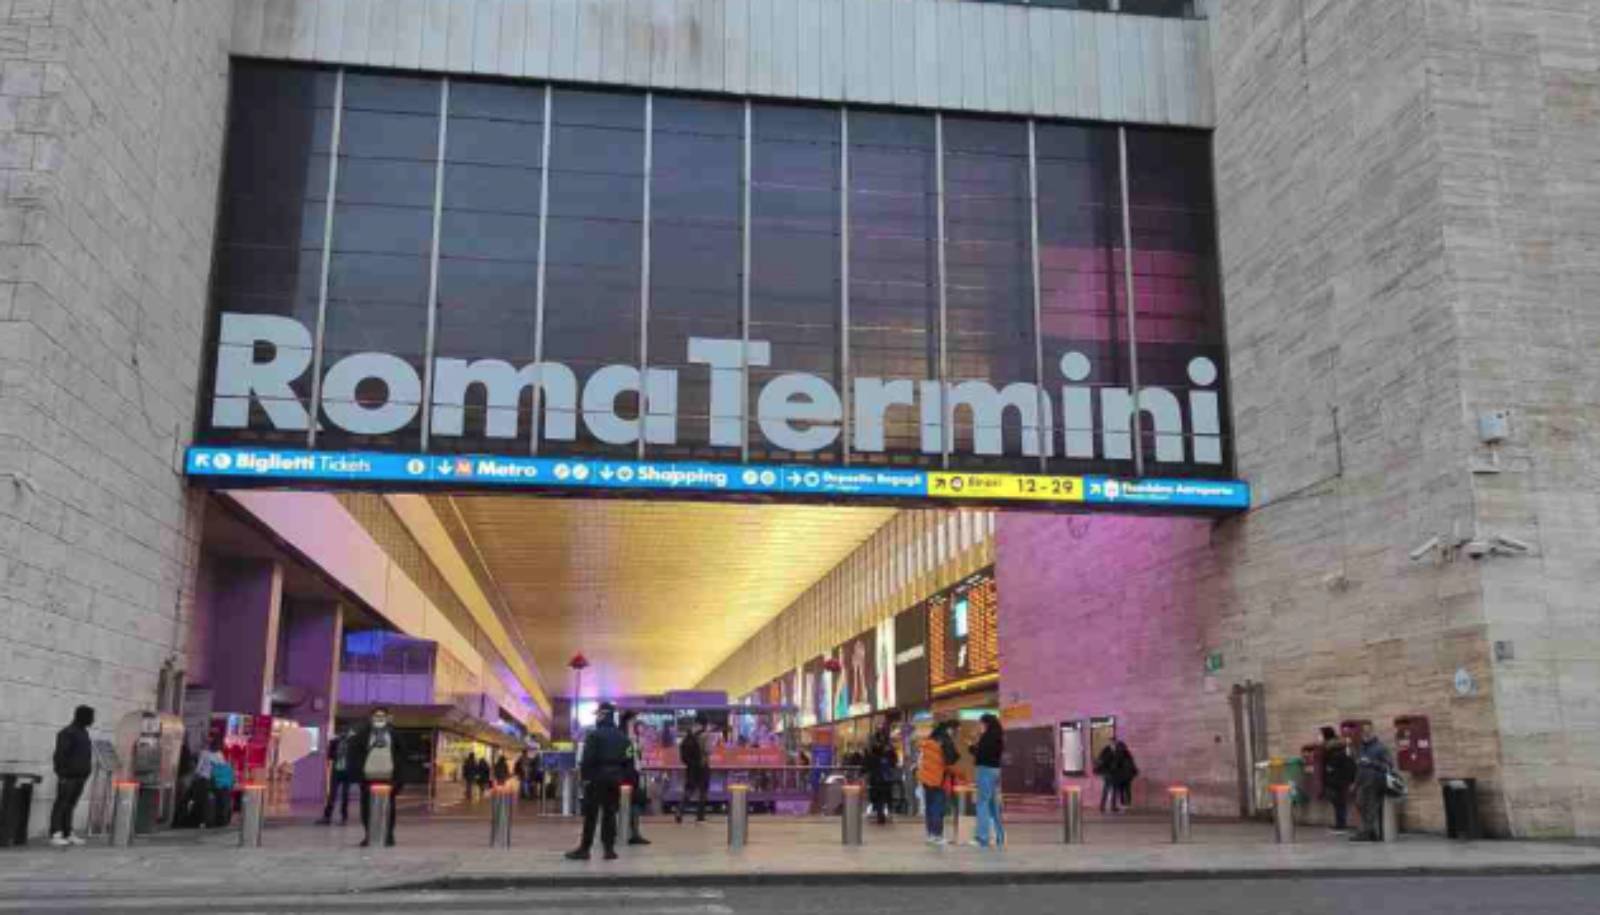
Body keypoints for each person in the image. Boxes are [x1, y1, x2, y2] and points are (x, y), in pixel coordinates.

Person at [566, 702, 631, 861]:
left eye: (598, 715)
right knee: (610, 813)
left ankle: (585, 849)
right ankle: (609, 850)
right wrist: (622, 777)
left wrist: (585, 779)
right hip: (615, 778)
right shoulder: (623, 737)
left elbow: (587, 759)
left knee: (591, 814)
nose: (597, 718)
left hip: (596, 778)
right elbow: (629, 760)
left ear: (603, 715)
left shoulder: (594, 735)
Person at [348, 706, 409, 848]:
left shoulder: (395, 735)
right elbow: (354, 754)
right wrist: (358, 773)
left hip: (389, 777)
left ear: (387, 718)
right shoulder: (363, 735)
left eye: (382, 717)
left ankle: (388, 835)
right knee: (366, 808)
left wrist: (399, 778)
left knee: (389, 808)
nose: (379, 719)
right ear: (371, 718)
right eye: (376, 716)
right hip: (367, 777)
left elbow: (402, 756)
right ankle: (369, 834)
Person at [49, 705, 95, 846]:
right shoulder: (67, 733)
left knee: (70, 805)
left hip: (81, 776)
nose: (92, 720)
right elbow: (60, 755)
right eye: (91, 717)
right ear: (82, 716)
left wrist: (87, 771)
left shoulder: (84, 733)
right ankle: (56, 833)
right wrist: (61, 774)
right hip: (68, 776)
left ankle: (68, 832)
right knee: (61, 804)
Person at [1350, 722, 1395, 842]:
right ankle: (1371, 831)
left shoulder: (1380, 748)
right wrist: (1355, 783)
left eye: (1368, 731)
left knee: (1371, 807)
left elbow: (1388, 766)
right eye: (1363, 731)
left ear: (1372, 732)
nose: (1366, 734)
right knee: (1360, 805)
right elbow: (1359, 767)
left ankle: (1366, 833)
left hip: (1375, 782)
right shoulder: (1361, 748)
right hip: (1362, 782)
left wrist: (1371, 763)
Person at [917, 722, 959, 845]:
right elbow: (951, 759)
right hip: (938, 778)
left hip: (926, 778)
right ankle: (937, 836)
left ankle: (930, 835)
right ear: (948, 729)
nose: (954, 733)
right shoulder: (945, 741)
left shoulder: (929, 741)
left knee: (929, 806)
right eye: (954, 730)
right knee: (937, 807)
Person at [970, 713, 1005, 848]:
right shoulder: (998, 737)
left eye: (981, 723)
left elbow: (980, 755)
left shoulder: (986, 737)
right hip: (995, 771)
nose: (980, 726)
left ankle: (982, 838)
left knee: (982, 803)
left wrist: (973, 746)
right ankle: (999, 837)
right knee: (993, 805)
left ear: (986, 724)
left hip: (984, 770)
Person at [620, 711, 651, 846]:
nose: (635, 723)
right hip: (624, 775)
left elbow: (636, 757)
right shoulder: (622, 737)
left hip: (634, 774)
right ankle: (626, 832)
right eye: (633, 720)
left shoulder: (634, 738)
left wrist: (639, 749)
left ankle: (634, 833)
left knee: (636, 802)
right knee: (625, 803)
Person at [1320, 726, 1357, 833]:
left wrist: (1331, 768)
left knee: (1339, 802)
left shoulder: (1333, 748)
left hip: (1337, 779)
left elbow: (1345, 763)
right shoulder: (1332, 746)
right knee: (1338, 802)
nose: (1319, 737)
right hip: (1336, 778)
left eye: (1321, 735)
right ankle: (1340, 823)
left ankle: (1341, 824)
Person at [316, 726, 355, 825]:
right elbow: (330, 756)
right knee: (331, 795)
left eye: (346, 732)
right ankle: (327, 817)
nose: (344, 734)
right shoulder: (334, 742)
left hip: (347, 772)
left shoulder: (352, 743)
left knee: (345, 795)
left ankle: (344, 818)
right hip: (337, 771)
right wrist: (336, 752)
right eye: (342, 732)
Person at [676, 715, 711, 824]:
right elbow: (708, 750)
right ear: (704, 724)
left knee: (689, 789)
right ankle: (700, 817)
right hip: (702, 766)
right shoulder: (705, 735)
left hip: (691, 767)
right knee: (703, 792)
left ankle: (680, 811)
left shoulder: (689, 734)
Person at [864, 724, 899, 825]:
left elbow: (868, 762)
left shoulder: (875, 749)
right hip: (883, 776)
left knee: (879, 795)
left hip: (878, 776)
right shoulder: (887, 749)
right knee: (883, 795)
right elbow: (893, 761)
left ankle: (881, 813)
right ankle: (883, 813)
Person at [1112, 739, 1139, 810]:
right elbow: (1132, 764)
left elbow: (1115, 765)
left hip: (1120, 775)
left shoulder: (1117, 754)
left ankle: (1122, 804)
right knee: (1127, 789)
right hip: (1128, 775)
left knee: (1121, 790)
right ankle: (1128, 803)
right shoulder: (1128, 754)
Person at [1094, 742, 1120, 813]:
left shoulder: (1114, 751)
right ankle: (1106, 806)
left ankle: (1108, 806)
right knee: (1109, 789)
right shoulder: (1107, 750)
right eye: (1113, 744)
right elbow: (1104, 761)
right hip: (1108, 773)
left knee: (1110, 789)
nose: (1114, 745)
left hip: (1111, 773)